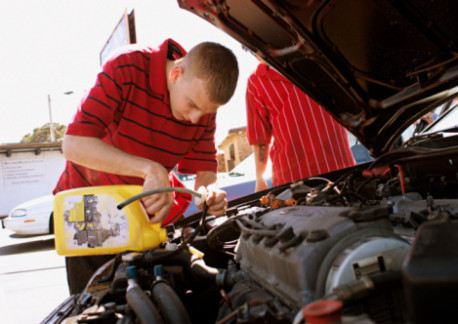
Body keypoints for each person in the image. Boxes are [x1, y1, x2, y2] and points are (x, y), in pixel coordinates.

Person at [53, 39, 239, 294]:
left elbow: (205, 170)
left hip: (148, 221)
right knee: (99, 309)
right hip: (92, 214)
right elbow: (74, 145)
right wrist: (151, 170)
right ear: (176, 73)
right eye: (193, 106)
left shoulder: (202, 104)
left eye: (206, 112)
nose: (197, 118)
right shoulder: (126, 66)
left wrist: (210, 193)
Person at [246, 62, 356, 191]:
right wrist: (260, 179)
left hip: (340, 169)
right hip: (291, 180)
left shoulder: (320, 63)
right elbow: (260, 137)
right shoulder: (255, 81)